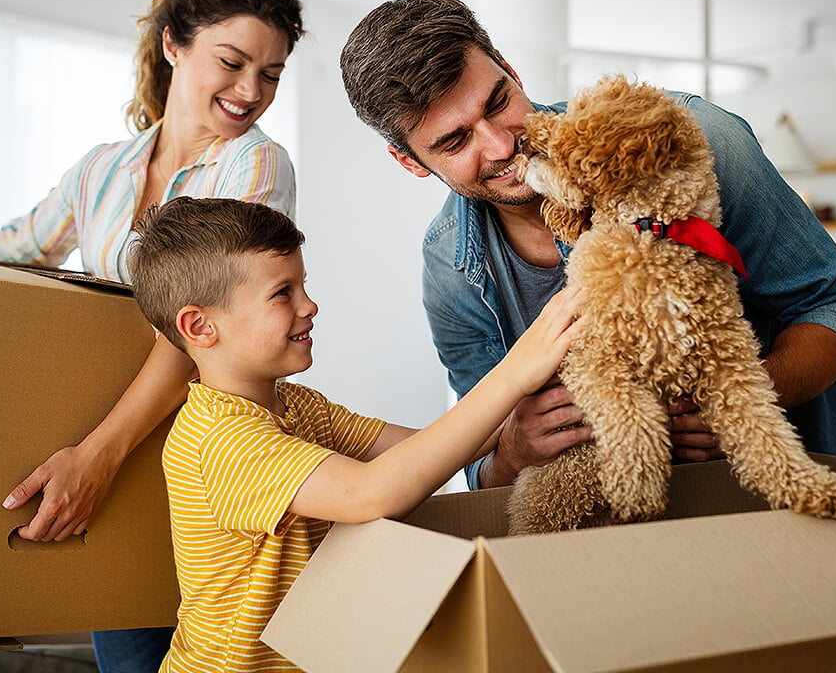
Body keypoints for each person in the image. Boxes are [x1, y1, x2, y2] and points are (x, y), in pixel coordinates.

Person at [339, 0, 836, 493]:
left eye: (499, 102)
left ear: (511, 69)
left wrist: (741, 401)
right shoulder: (447, 265)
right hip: (620, 545)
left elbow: (835, 308)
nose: (503, 145)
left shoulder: (684, 140)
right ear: (410, 161)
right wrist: (515, 454)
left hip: (791, 492)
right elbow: (478, 461)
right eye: (455, 141)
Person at [0, 0, 304, 673]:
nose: (252, 90)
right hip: (111, 447)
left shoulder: (254, 165)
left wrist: (96, 456)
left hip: (206, 457)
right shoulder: (100, 171)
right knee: (128, 656)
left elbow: (200, 330)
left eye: (271, 74)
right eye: (233, 61)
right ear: (173, 45)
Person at [124, 196, 582, 671]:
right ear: (200, 326)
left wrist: (524, 412)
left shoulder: (298, 406)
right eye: (283, 293)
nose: (310, 304)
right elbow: (372, 493)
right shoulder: (219, 438)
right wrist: (515, 371)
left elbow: (424, 445)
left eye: (304, 285)